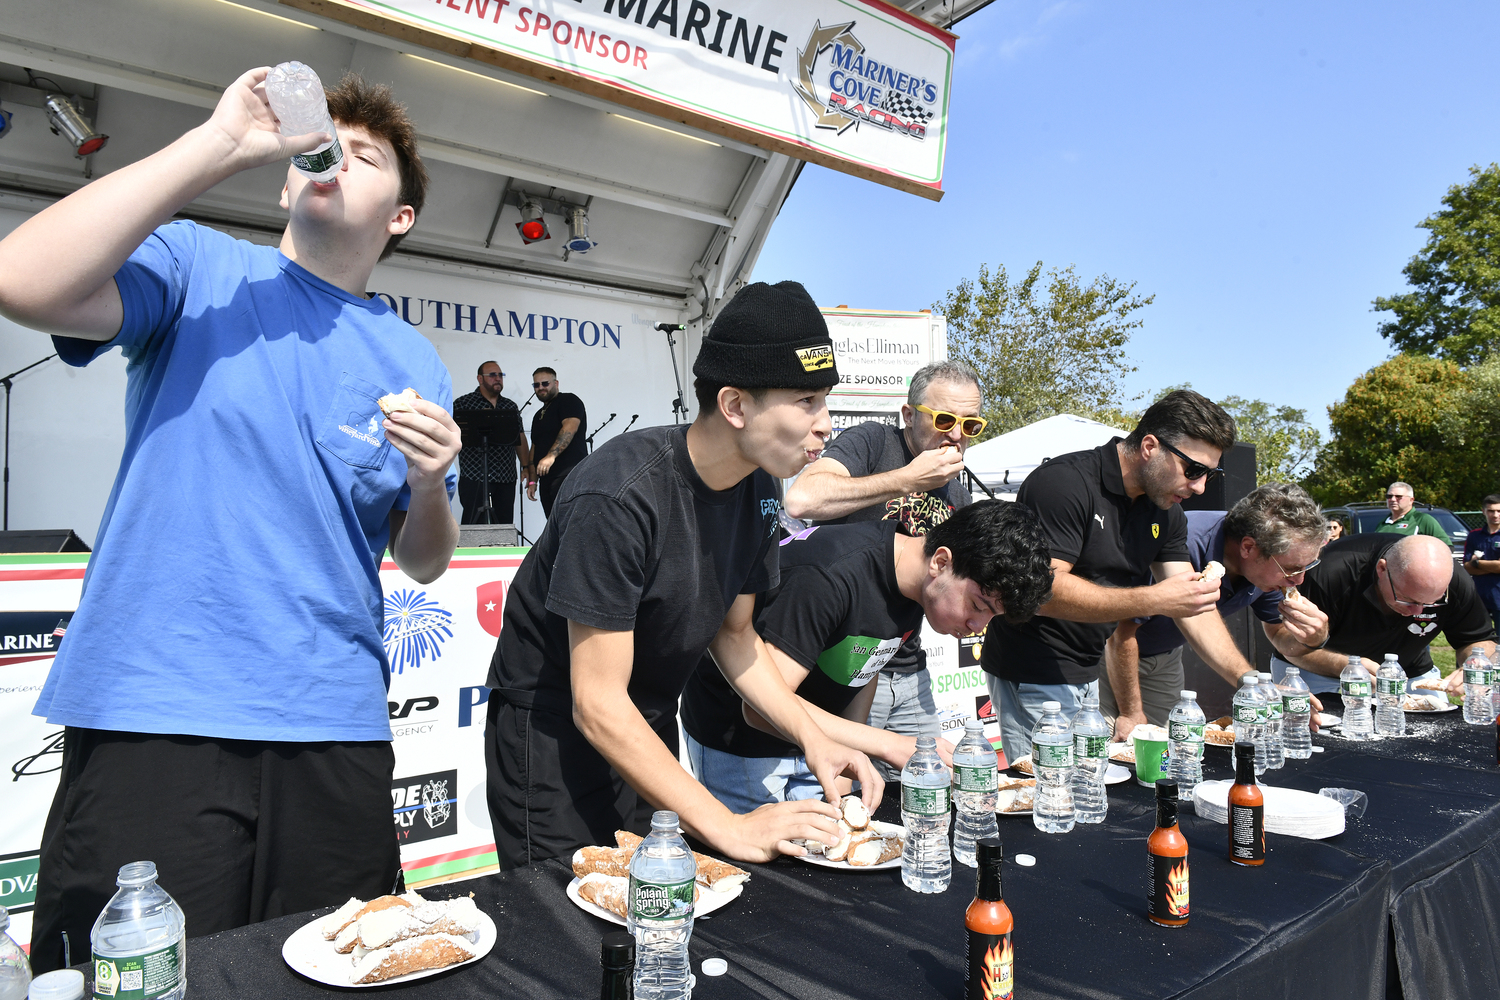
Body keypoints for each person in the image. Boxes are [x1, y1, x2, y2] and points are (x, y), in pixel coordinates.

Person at [0, 71, 462, 971]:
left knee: (333, 975)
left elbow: (425, 560)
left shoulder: (413, 356)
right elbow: (20, 280)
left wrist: (434, 483)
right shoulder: (200, 264)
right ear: (288, 179)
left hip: (335, 727)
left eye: (368, 155)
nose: (338, 154)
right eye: (324, 144)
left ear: (400, 216)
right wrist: (221, 143)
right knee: (135, 982)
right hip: (157, 712)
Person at [485, 281, 881, 869]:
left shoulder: (761, 488)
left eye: (825, 400)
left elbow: (737, 637)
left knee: (662, 903)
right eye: (806, 401)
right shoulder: (619, 494)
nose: (826, 424)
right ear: (735, 405)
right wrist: (732, 828)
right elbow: (595, 702)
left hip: (644, 720)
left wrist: (814, 737)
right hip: (553, 731)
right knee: (565, 936)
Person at [679, 502, 1053, 811]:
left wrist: (849, 755)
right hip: (740, 745)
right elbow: (761, 709)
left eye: (991, 616)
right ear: (940, 562)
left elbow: (864, 665)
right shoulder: (830, 577)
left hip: (814, 741)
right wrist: (887, 743)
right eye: (978, 605)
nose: (978, 625)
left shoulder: (915, 585)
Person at [980, 390, 1241, 757]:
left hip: (1089, 670)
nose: (1199, 487)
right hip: (1035, 669)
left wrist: (1249, 682)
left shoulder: (1166, 511)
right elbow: (1042, 588)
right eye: (1194, 470)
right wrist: (1153, 598)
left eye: (1210, 476)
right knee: (1054, 795)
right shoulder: (1063, 483)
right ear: (1150, 446)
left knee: (1089, 791)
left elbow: (1192, 606)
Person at [783, 360, 984, 773]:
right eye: (945, 419)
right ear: (909, 415)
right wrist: (906, 479)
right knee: (847, 792)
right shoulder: (875, 442)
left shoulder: (956, 493)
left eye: (971, 425)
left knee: (933, 786)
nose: (956, 435)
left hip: (910, 669)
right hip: (839, 669)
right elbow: (802, 499)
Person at [1098, 484, 1332, 729]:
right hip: (1107, 651)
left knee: (1166, 748)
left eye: (1306, 567)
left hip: (1163, 657)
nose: (1298, 580)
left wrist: (1313, 638)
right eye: (1291, 569)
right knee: (1108, 743)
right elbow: (1120, 634)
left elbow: (1278, 634)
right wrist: (1131, 712)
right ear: (1248, 547)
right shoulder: (1182, 544)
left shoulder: (1266, 571)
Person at [1269, 533, 1495, 695]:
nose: (1416, 612)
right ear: (1382, 569)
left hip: (1409, 674)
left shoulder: (1453, 581)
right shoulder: (1330, 571)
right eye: (1408, 600)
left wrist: (1476, 664)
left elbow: (1478, 639)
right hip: (1315, 676)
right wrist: (1346, 666)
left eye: (1432, 603)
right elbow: (1284, 642)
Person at [454, 360, 530, 524]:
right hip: (474, 475)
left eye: (500, 375)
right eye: (492, 375)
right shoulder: (463, 403)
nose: (498, 378)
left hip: (506, 475)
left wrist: (525, 466)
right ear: (480, 379)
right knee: (473, 525)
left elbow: (520, 438)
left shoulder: (510, 406)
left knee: (504, 524)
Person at [525, 367, 587, 516]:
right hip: (546, 480)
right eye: (536, 385)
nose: (541, 388)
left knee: (570, 523)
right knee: (553, 526)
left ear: (556, 383)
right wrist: (533, 481)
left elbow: (570, 427)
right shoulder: (537, 415)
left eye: (545, 383)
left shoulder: (568, 400)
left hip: (568, 474)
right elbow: (534, 446)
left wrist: (551, 456)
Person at [1462, 494, 1500, 635]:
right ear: (1484, 511)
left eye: (1499, 511)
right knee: (1479, 638)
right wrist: (1493, 565)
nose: (1495, 515)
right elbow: (1467, 567)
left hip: (1498, 597)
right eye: (1491, 511)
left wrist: (1477, 563)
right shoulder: (1474, 535)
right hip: (1479, 596)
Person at [1377, 482, 1448, 539]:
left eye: (1398, 496)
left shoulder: (1422, 519)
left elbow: (1446, 546)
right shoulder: (1382, 524)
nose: (1392, 499)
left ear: (1411, 500)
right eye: (1389, 496)